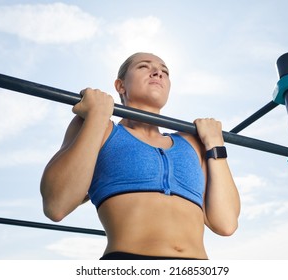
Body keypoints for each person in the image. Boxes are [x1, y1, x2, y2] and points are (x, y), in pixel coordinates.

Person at [40, 52, 240, 260]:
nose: (158, 73)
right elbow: (56, 205)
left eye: (165, 71)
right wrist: (98, 115)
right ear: (120, 86)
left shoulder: (191, 143)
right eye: (144, 66)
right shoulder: (102, 128)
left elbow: (226, 224)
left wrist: (216, 144)